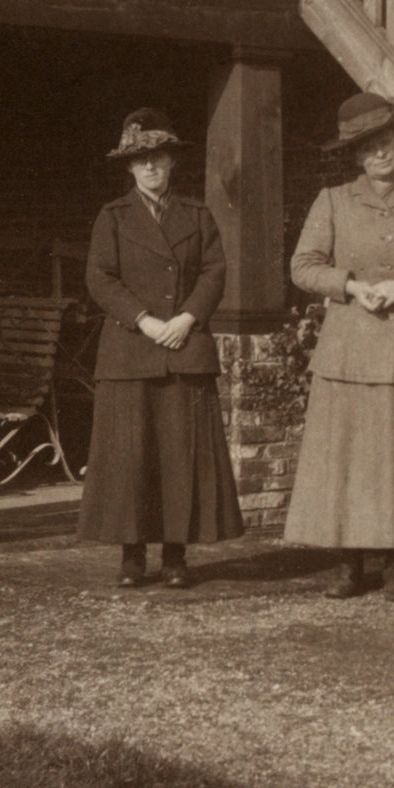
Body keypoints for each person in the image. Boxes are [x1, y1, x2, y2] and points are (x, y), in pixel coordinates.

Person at [284, 92, 394, 601]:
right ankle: (347, 564)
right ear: (356, 156)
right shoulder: (334, 201)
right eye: (368, 147)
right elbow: (302, 265)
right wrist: (349, 286)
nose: (380, 152)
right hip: (350, 349)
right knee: (348, 459)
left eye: (386, 140)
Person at [78, 108, 244, 587]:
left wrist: (187, 318)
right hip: (132, 349)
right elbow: (99, 278)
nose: (151, 167)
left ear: (172, 162)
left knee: (180, 457)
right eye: (140, 160)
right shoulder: (112, 217)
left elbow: (215, 272)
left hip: (185, 347)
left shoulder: (198, 214)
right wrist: (146, 321)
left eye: (159, 157)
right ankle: (132, 557)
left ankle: (175, 556)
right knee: (131, 457)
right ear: (129, 167)